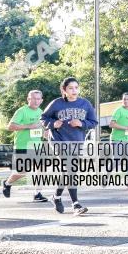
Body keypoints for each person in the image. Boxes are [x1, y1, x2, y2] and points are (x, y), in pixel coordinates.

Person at [41, 77, 97, 215]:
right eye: (71, 88)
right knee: (70, 169)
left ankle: (57, 196)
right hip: (58, 140)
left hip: (76, 141)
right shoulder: (56, 103)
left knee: (68, 171)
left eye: (76, 87)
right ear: (64, 90)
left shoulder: (85, 103)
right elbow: (43, 118)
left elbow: (93, 121)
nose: (74, 90)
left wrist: (81, 124)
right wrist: (53, 124)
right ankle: (76, 204)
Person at [1, 90, 48, 202]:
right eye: (33, 98)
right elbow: (10, 126)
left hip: (37, 146)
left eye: (38, 99)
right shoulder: (21, 111)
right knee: (22, 172)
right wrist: (29, 126)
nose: (36, 101)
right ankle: (7, 183)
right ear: (28, 99)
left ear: (41, 100)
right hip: (22, 146)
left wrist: (45, 133)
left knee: (42, 169)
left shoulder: (41, 112)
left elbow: (41, 129)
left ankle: (38, 193)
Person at [109, 92, 128, 189]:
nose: (125, 101)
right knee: (117, 160)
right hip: (117, 139)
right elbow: (112, 124)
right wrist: (126, 128)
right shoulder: (118, 110)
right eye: (124, 99)